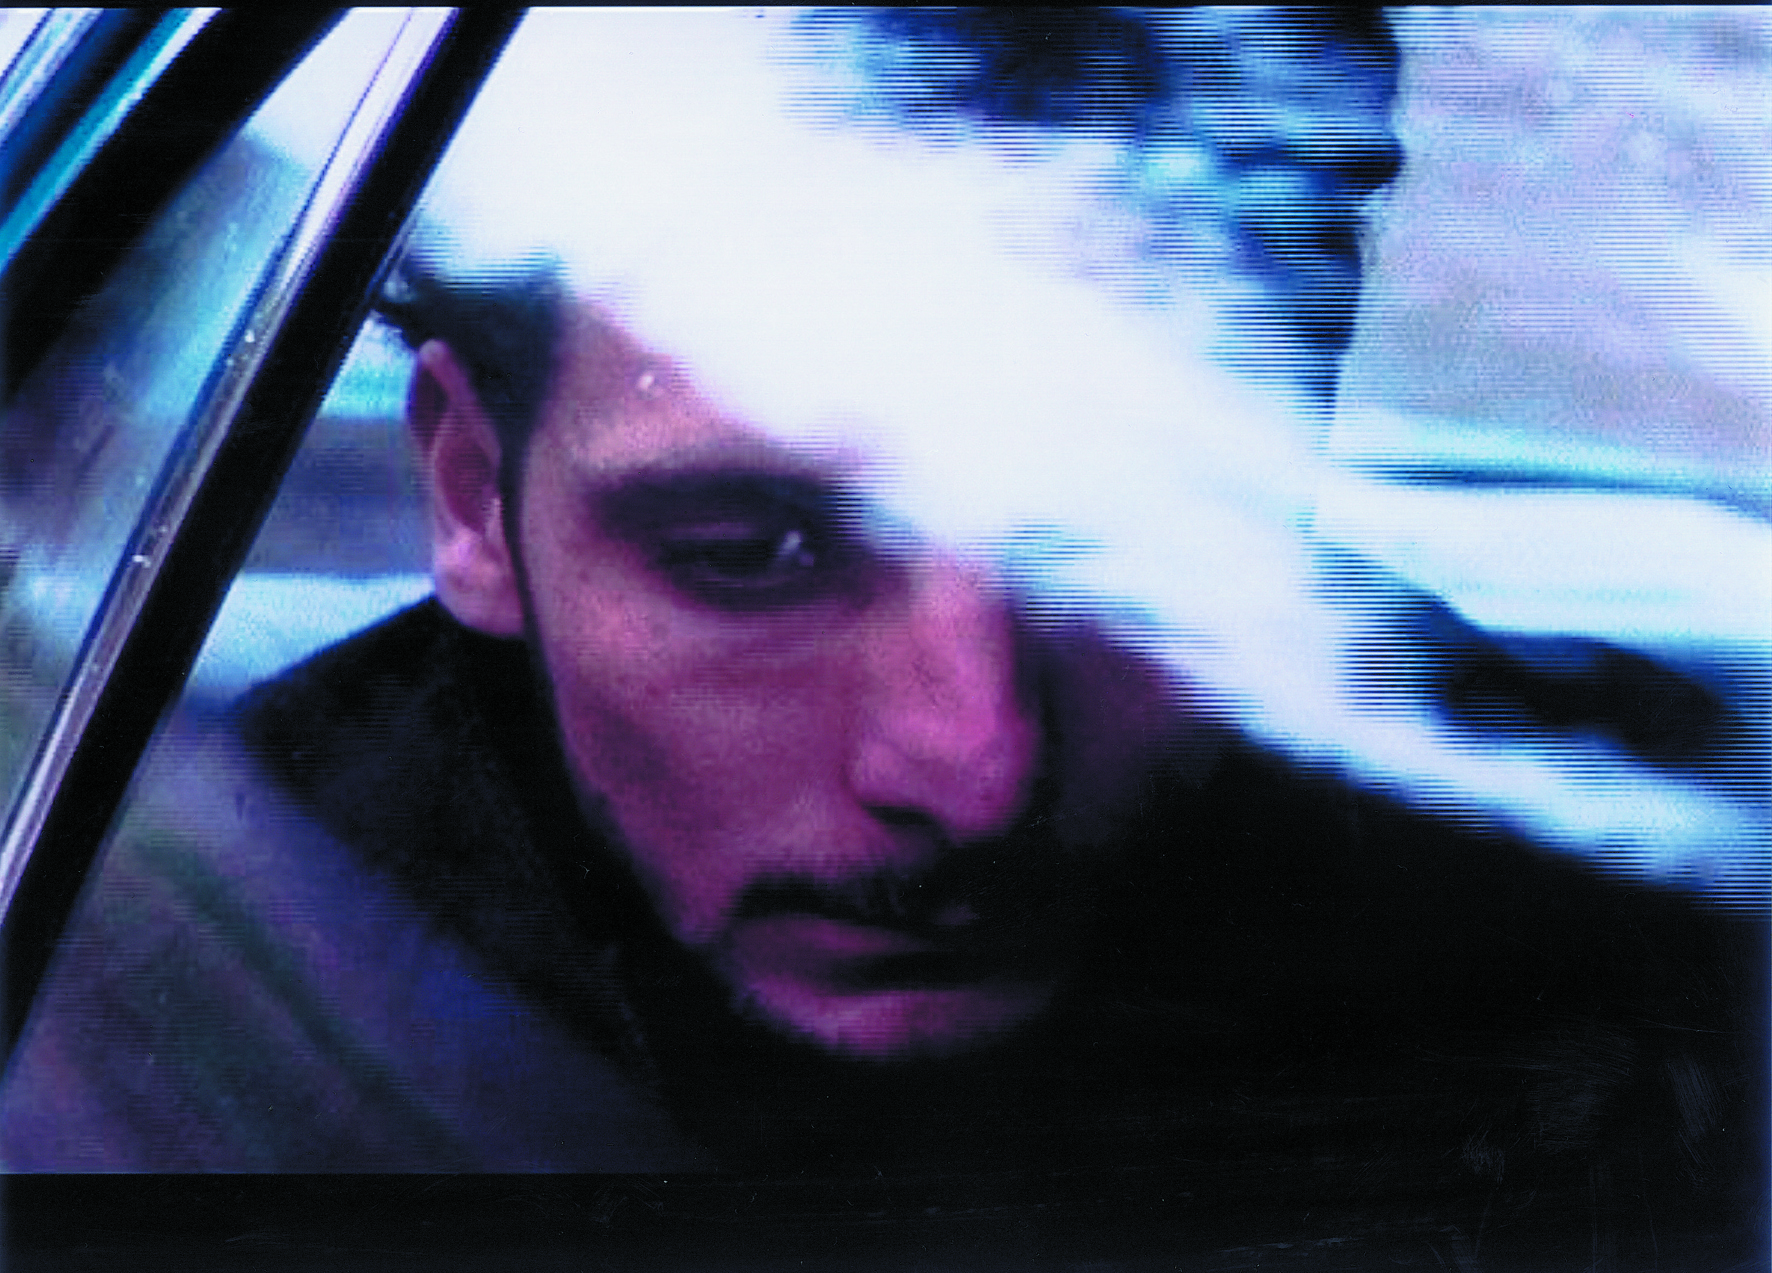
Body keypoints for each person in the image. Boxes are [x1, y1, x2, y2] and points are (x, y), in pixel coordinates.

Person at [0, 8, 1761, 1255]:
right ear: (472, 497)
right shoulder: (148, 1023)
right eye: (755, 555)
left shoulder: (1616, 888)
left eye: (1133, 541)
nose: (975, 764)